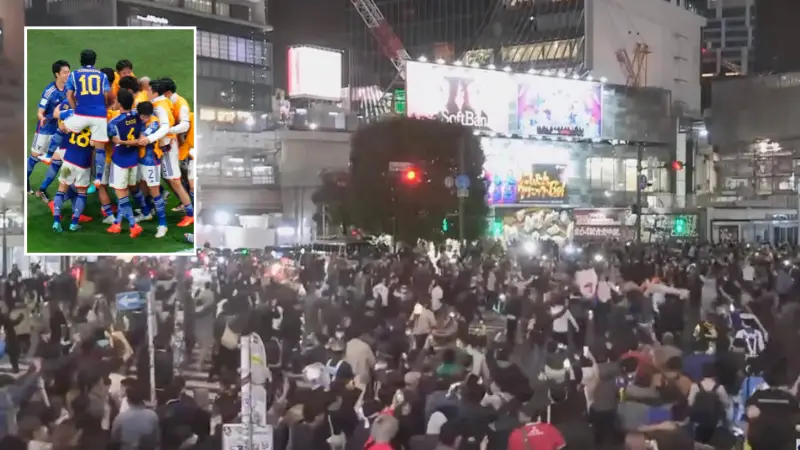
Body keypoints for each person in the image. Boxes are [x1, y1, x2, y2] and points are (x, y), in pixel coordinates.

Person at [105, 88, 145, 238]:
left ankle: (133, 225)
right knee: (125, 192)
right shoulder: (138, 116)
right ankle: (117, 223)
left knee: (121, 195)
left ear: (119, 104)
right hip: (133, 160)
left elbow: (109, 138)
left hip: (119, 160)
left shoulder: (113, 123)